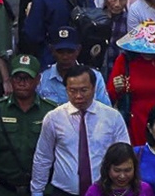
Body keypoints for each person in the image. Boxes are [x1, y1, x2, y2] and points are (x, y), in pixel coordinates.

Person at [33, 60, 133, 196]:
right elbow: (43, 157)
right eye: (73, 91)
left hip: (103, 191)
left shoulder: (112, 117)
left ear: (93, 87)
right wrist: (37, 192)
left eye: (84, 90)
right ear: (66, 89)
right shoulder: (53, 118)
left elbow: (124, 155)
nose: (78, 96)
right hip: (63, 192)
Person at [0, 53, 58, 196]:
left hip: (41, 190)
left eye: (27, 78)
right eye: (17, 78)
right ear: (10, 79)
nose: (22, 82)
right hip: (5, 189)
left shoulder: (51, 112)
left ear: (38, 80)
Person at [85, 143, 155, 196]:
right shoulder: (95, 191)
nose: (122, 176)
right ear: (107, 168)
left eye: (127, 170)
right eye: (117, 170)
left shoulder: (144, 190)